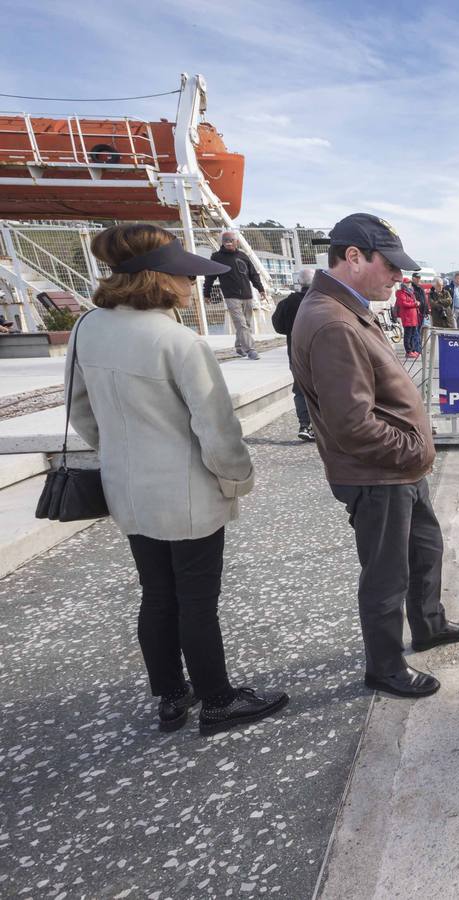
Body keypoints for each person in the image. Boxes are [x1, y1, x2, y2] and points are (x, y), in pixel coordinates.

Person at [68, 223, 288, 735]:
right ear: (161, 279)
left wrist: (119, 453)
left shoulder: (87, 328)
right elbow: (217, 429)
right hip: (186, 492)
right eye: (185, 276)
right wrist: (237, 479)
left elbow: (81, 412)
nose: (192, 286)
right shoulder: (177, 341)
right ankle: (217, 700)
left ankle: (171, 696)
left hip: (127, 487)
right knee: (196, 599)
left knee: (156, 593)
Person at [289, 213, 459, 699]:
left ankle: (430, 623)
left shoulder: (345, 310)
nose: (398, 277)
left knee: (424, 550)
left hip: (397, 470)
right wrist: (413, 449)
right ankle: (385, 667)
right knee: (386, 575)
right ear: (353, 257)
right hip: (379, 474)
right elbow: (353, 423)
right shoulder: (333, 323)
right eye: (390, 265)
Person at [203, 230, 266, 360]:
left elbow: (253, 274)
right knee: (241, 323)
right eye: (225, 240)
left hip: (247, 294)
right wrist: (206, 293)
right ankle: (251, 350)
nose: (228, 242)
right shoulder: (216, 257)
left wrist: (260, 289)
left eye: (231, 240)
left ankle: (239, 347)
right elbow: (210, 277)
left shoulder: (243, 256)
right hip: (231, 295)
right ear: (222, 242)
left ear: (236, 242)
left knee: (246, 324)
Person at [270, 268, 316, 442]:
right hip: (322, 354)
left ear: (300, 283)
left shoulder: (287, 303)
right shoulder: (322, 301)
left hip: (296, 354)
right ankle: (323, 427)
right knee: (324, 389)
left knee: (301, 390)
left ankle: (305, 425)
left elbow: (279, 327)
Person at [395, 278, 422, 358]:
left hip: (413, 316)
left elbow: (411, 302)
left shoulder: (411, 292)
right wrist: (415, 304)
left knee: (413, 334)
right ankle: (408, 351)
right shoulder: (400, 292)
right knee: (408, 334)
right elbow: (403, 304)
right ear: (403, 284)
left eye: (409, 282)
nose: (409, 284)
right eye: (407, 283)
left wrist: (417, 303)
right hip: (407, 317)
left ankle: (413, 350)